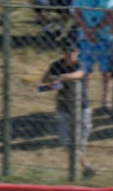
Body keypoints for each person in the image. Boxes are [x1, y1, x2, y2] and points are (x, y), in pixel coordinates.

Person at [40, 43, 95, 178]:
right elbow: (44, 79)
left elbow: (79, 74)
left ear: (77, 52)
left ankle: (79, 168)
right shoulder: (57, 64)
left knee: (81, 138)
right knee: (66, 140)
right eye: (66, 51)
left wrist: (60, 77)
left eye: (72, 51)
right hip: (64, 106)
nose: (69, 54)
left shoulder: (82, 63)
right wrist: (53, 80)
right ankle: (85, 167)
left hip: (81, 106)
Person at [72, 0, 113, 113]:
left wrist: (95, 29)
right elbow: (77, 12)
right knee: (85, 70)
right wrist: (86, 29)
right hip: (86, 38)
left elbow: (110, 15)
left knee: (106, 71)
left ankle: (106, 101)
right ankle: (84, 100)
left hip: (103, 37)